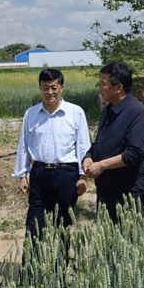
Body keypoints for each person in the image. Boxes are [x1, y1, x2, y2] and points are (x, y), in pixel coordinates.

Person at [14, 69, 89, 260]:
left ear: (62, 88)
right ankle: (30, 275)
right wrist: (23, 175)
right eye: (45, 88)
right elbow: (23, 145)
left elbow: (83, 146)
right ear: (39, 88)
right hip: (39, 173)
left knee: (62, 225)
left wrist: (82, 176)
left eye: (54, 88)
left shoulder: (75, 112)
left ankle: (59, 276)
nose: (50, 92)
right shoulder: (31, 113)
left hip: (66, 174)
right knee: (34, 224)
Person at [83, 63, 144, 224]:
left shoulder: (138, 113)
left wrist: (101, 165)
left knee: (127, 244)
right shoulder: (109, 110)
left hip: (127, 193)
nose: (100, 88)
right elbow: (100, 142)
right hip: (106, 191)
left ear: (119, 87)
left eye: (103, 84)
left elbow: (135, 153)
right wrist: (88, 157)